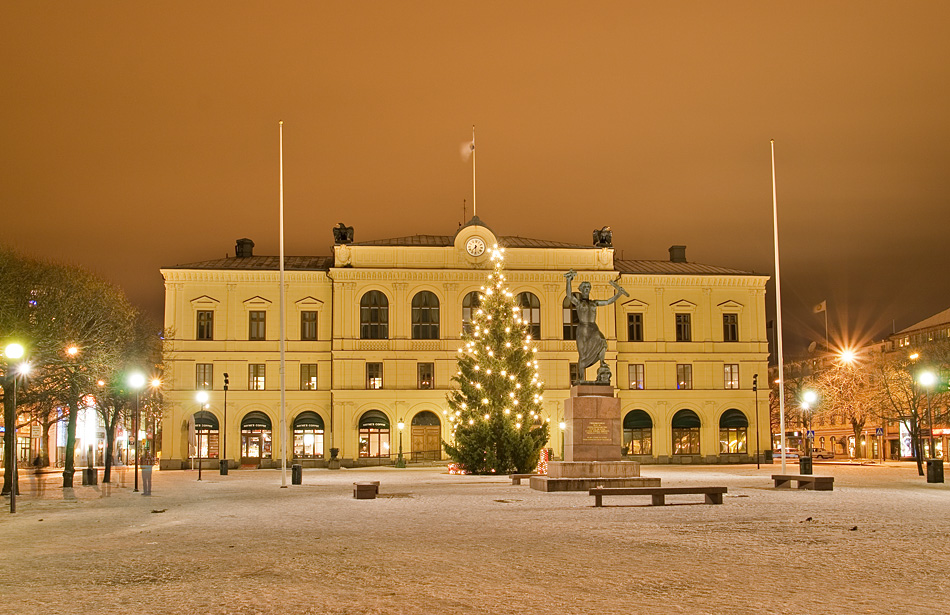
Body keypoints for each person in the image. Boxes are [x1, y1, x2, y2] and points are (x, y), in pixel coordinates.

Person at [564, 269, 628, 383]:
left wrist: (618, 294)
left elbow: (608, 301)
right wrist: (568, 281)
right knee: (583, 354)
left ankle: (602, 362)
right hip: (583, 329)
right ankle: (581, 378)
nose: (587, 289)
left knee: (602, 342)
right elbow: (569, 295)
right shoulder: (579, 303)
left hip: (593, 328)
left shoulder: (594, 303)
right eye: (585, 287)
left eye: (588, 287)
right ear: (581, 290)